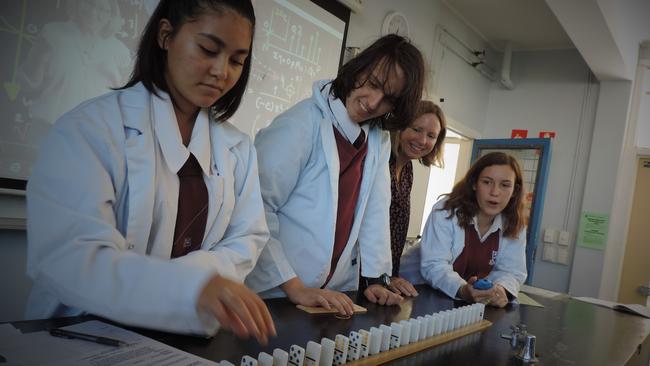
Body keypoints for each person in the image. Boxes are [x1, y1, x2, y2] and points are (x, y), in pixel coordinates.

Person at [26, 0, 275, 343]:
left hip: (180, 339)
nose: (222, 72)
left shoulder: (238, 148)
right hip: (77, 337)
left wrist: (195, 289)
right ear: (166, 36)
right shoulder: (90, 129)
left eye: (236, 61)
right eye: (207, 49)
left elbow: (247, 238)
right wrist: (189, 288)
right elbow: (71, 257)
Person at [245, 34, 426, 315]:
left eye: (389, 99)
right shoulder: (302, 122)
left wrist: (376, 279)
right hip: (274, 293)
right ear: (359, 67)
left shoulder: (378, 140)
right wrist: (295, 288)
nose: (373, 102)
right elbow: (254, 209)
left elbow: (375, 214)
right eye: (374, 83)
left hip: (332, 295)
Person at [419, 152, 527, 307]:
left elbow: (512, 271)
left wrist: (500, 290)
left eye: (505, 185)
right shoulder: (446, 211)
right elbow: (434, 265)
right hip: (420, 293)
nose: (495, 192)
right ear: (474, 183)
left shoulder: (514, 223)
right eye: (487, 182)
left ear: (514, 191)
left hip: (465, 305)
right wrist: (463, 290)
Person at [387, 100, 446, 297]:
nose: (422, 141)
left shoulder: (407, 170)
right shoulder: (381, 160)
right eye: (417, 129)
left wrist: (390, 276)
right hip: (357, 274)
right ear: (401, 127)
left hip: (384, 276)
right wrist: (380, 277)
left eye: (431, 136)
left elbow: (395, 232)